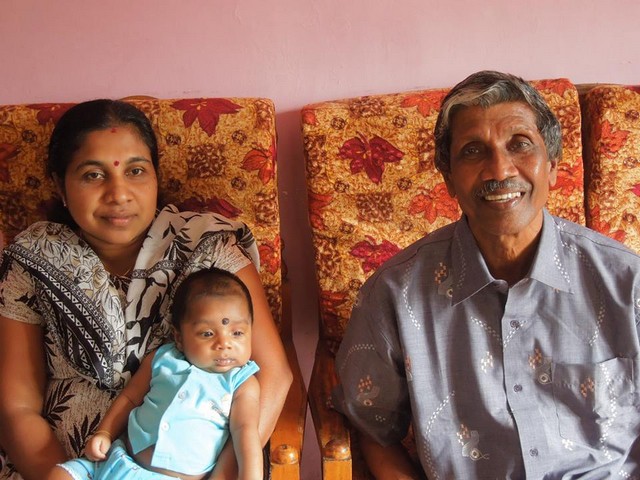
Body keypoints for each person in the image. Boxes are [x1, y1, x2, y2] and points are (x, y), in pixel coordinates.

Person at [333, 70, 640, 479]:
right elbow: (373, 430)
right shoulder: (395, 294)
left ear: (551, 166)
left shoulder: (627, 282)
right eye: (473, 151)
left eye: (520, 144)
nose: (499, 170)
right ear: (449, 179)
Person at [0, 99, 292, 480]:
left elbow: (273, 374)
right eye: (93, 175)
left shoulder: (209, 247)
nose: (118, 194)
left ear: (156, 176)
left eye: (135, 170)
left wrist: (220, 477)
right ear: (61, 185)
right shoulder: (33, 258)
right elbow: (17, 407)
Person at [49, 267, 262, 480]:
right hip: (116, 461)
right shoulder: (163, 359)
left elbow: (245, 432)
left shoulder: (241, 383)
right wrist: (105, 432)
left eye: (237, 333)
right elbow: (130, 398)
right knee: (60, 475)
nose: (224, 344)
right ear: (179, 338)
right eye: (207, 333)